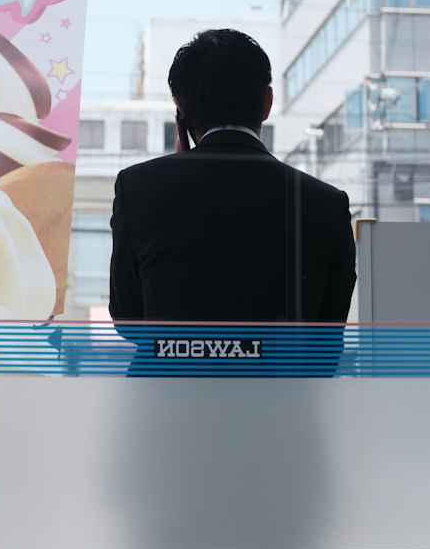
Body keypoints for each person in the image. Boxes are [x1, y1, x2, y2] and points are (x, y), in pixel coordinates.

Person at [109, 29, 355, 328]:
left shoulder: (138, 188)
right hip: (286, 376)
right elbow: (327, 336)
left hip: (169, 374)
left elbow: (128, 321)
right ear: (267, 102)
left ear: (180, 108)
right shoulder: (326, 203)